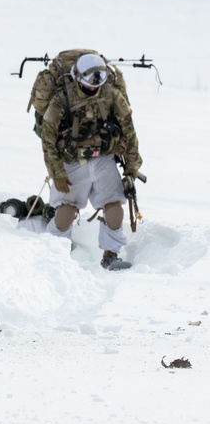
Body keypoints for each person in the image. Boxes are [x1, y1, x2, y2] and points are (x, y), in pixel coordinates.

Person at [39, 52, 142, 270]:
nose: (93, 87)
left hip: (103, 159)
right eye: (89, 83)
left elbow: (128, 129)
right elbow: (48, 137)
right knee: (65, 212)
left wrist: (132, 166)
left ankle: (110, 255)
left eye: (98, 82)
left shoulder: (111, 94)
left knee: (114, 206)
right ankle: (53, 256)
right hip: (72, 162)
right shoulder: (62, 99)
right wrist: (57, 172)